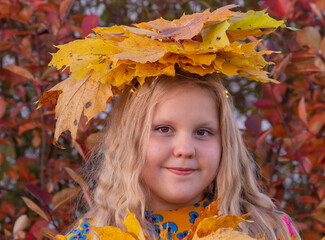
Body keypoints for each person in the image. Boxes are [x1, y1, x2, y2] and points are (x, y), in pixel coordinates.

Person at [42, 5, 301, 240]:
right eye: (163, 129)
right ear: (129, 139)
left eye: (203, 131)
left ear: (226, 143)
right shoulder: (93, 237)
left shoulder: (267, 230)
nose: (185, 149)